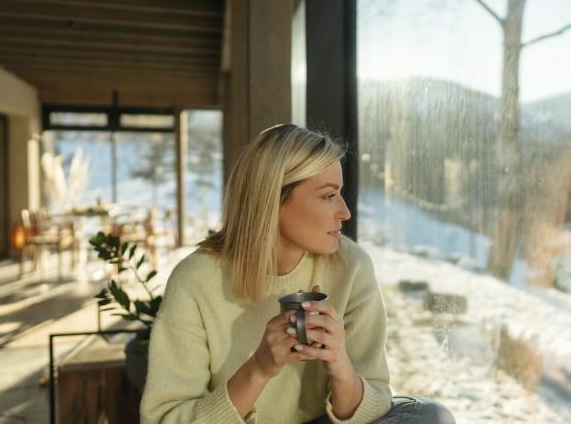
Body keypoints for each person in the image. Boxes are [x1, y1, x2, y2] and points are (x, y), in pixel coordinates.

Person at [141, 124, 454, 424]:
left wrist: (339, 364)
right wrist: (259, 368)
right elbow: (165, 419)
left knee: (428, 417)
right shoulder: (196, 280)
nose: (345, 212)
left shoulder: (351, 266)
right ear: (273, 201)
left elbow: (375, 401)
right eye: (329, 195)